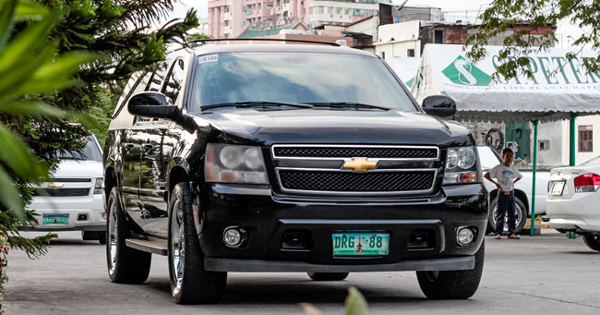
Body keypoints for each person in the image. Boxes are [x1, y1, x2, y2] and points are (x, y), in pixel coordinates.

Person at [484, 148, 523, 239]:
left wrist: (513, 182)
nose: (509, 158)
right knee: (500, 213)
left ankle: (511, 232)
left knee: (512, 213)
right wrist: (496, 184)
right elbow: (486, 175)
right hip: (502, 193)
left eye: (511, 156)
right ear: (503, 156)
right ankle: (498, 232)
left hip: (511, 193)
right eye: (507, 156)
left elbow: (519, 176)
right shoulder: (499, 168)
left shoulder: (513, 168)